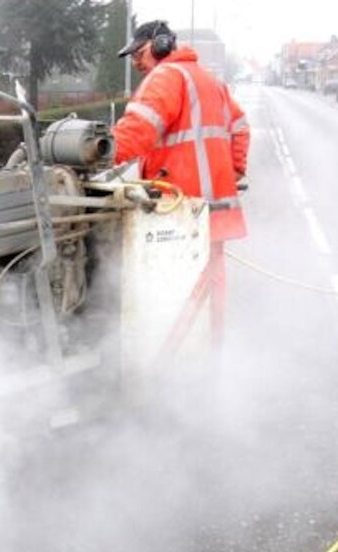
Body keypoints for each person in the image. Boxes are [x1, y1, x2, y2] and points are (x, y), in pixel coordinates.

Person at [112, 20, 250, 345]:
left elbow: (136, 132)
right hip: (214, 208)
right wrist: (233, 171)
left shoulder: (165, 77)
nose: (136, 62)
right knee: (210, 285)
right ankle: (211, 350)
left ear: (161, 45)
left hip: (181, 211)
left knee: (176, 292)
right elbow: (241, 126)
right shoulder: (209, 81)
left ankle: (173, 360)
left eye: (139, 53)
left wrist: (96, 155)